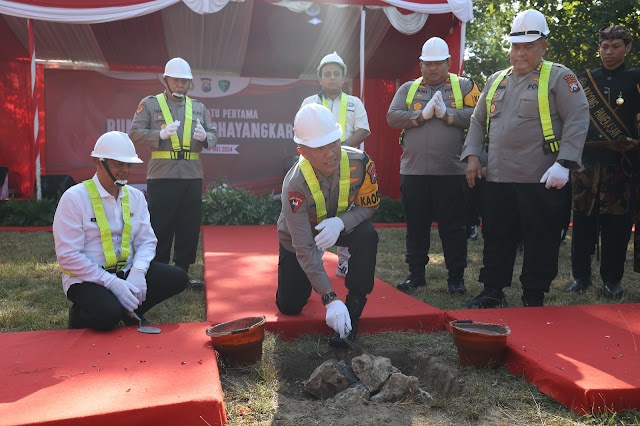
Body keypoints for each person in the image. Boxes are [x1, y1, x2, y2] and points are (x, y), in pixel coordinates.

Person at [461, 9, 589, 308]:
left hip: (541, 177)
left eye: (528, 46)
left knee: (541, 239)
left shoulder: (559, 76)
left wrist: (565, 163)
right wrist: (473, 157)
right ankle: (492, 290)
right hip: (498, 177)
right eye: (516, 46)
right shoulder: (496, 80)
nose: (520, 53)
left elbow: (578, 118)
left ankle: (534, 293)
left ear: (544, 45)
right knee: (496, 236)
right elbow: (478, 122)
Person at [53, 132, 188, 331]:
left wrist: (138, 272)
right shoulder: (74, 198)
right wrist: (112, 283)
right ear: (98, 162)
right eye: (119, 164)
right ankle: (84, 314)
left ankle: (129, 309)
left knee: (177, 277)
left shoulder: (135, 197)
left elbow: (147, 241)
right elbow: (68, 257)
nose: (125, 170)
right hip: (87, 278)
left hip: (126, 272)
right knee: (108, 315)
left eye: (129, 165)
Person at [276, 104, 379, 347]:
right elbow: (303, 246)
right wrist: (330, 299)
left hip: (339, 226)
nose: (330, 153)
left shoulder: (360, 163)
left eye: (333, 142)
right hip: (300, 235)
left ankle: (354, 308)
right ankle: (317, 288)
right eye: (319, 148)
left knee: (367, 235)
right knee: (289, 306)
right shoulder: (294, 185)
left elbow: (370, 206)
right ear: (302, 151)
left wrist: (340, 223)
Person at [387, 37, 481, 295]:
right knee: (416, 226)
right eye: (428, 63)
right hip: (414, 171)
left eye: (438, 63)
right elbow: (392, 116)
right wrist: (421, 116)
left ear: (448, 63)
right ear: (420, 64)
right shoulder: (409, 88)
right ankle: (416, 275)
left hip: (451, 171)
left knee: (453, 228)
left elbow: (480, 116)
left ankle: (456, 278)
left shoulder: (463, 86)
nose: (433, 68)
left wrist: (448, 115)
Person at [129, 57, 217, 289]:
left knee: (189, 225)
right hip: (162, 175)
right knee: (161, 224)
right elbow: (135, 133)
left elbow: (214, 133)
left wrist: (206, 138)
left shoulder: (198, 107)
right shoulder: (149, 104)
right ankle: (158, 271)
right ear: (166, 80)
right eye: (176, 80)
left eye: (184, 81)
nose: (180, 85)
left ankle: (182, 274)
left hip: (191, 174)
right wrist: (158, 135)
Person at [566, 25, 640, 298]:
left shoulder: (636, 77)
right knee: (582, 221)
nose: (609, 52)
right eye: (605, 47)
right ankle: (580, 278)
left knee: (617, 227)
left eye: (616, 46)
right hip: (585, 164)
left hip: (621, 165)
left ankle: (612, 281)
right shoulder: (583, 80)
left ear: (628, 48)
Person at [301, 52, 371, 279]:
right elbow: (301, 132)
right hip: (315, 169)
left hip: (349, 168)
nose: (332, 78)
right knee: (315, 212)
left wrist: (338, 149)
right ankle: (315, 260)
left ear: (343, 78)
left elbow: (364, 129)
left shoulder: (354, 102)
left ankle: (344, 263)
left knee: (347, 212)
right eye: (327, 74)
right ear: (319, 78)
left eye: (336, 74)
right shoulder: (309, 102)